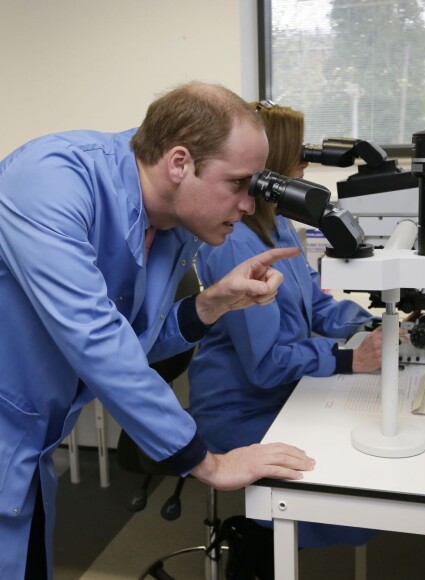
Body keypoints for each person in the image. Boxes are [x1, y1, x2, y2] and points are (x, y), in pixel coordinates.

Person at [0, 82, 315, 580]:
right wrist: (208, 464)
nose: (249, 206)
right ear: (179, 163)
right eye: (238, 184)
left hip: (31, 440)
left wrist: (209, 306)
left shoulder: (169, 223)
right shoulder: (50, 180)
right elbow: (98, 341)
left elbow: (136, 341)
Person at [188, 101, 388, 578]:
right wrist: (347, 360)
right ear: (270, 168)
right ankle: (257, 550)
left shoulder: (278, 225)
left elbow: (317, 305)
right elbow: (266, 362)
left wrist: (373, 323)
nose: (305, 167)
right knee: (343, 464)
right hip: (242, 407)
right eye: (298, 157)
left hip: (283, 389)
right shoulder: (235, 241)